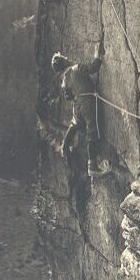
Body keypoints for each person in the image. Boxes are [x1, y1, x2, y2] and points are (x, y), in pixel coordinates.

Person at [51, 42, 109, 178]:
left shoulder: (64, 80)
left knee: (76, 123)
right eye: (65, 58)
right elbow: (94, 67)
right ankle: (92, 167)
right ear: (64, 62)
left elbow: (68, 96)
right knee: (92, 131)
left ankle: (65, 145)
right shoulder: (76, 68)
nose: (67, 58)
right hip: (87, 103)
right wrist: (97, 55)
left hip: (78, 105)